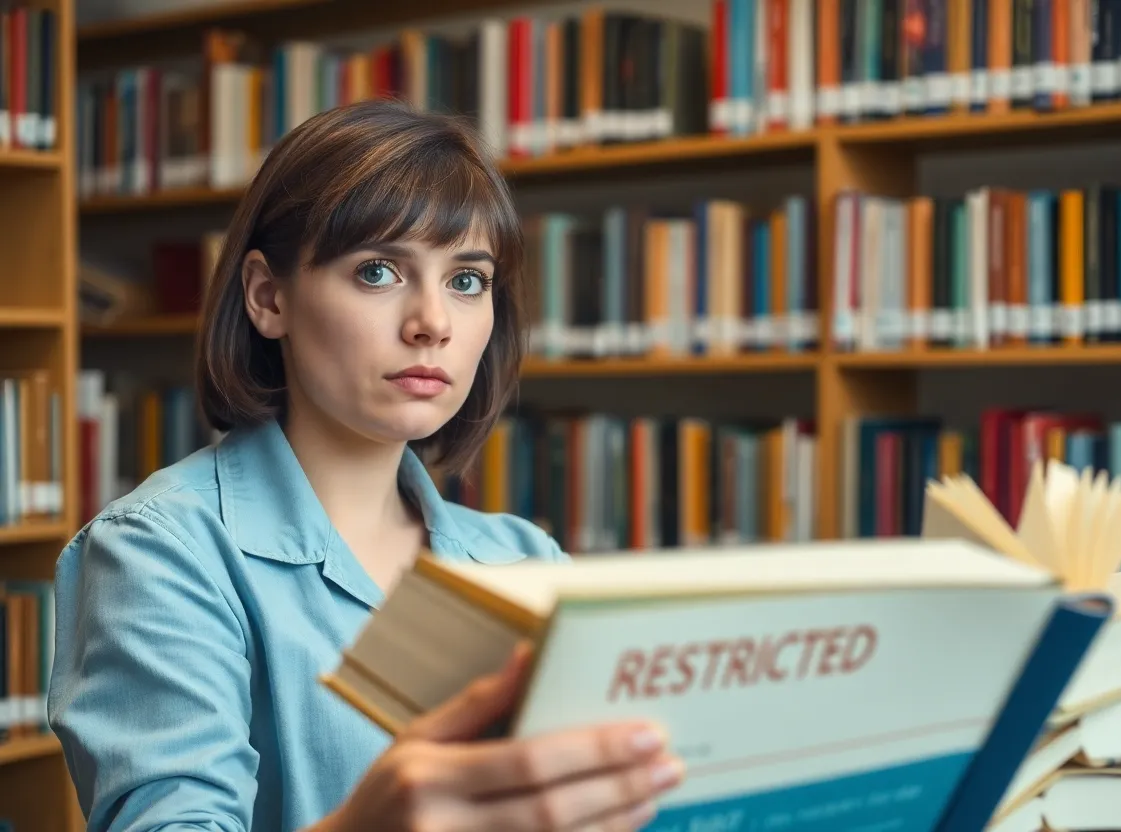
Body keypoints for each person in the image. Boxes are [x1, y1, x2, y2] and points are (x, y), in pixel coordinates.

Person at [48, 99, 685, 832]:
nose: (432, 323)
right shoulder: (160, 551)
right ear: (268, 297)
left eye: (467, 281)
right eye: (378, 271)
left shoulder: (525, 561)